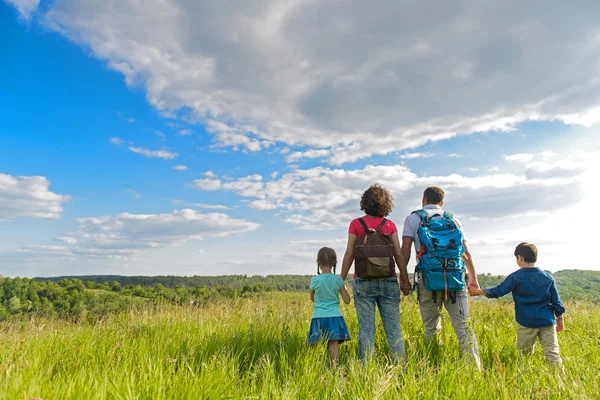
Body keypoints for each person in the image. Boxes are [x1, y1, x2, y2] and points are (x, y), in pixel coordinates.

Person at [401, 186, 481, 368]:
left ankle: (433, 365)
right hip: (456, 279)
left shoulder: (413, 218)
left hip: (427, 279)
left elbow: (405, 251)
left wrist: (404, 278)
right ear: (442, 203)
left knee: (430, 327)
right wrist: (473, 279)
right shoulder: (454, 220)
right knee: (463, 326)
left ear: (423, 199)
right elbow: (466, 252)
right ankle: (473, 370)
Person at [340, 183, 411, 363]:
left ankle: (366, 373)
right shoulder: (390, 225)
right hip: (388, 280)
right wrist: (404, 279)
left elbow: (349, 253)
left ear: (365, 202)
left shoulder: (356, 224)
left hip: (363, 281)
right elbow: (398, 254)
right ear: (386, 204)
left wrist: (340, 280)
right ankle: (400, 369)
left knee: (366, 331)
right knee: (394, 329)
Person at [470, 242, 565, 371]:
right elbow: (557, 302)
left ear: (520, 258)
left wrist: (479, 291)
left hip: (526, 322)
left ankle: (524, 377)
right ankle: (559, 380)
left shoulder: (516, 277)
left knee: (524, 355)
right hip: (547, 322)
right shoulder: (548, 277)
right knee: (553, 354)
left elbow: (498, 291)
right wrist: (560, 320)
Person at [308, 247, 351, 366]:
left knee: (315, 343)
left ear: (318, 263)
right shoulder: (338, 280)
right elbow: (347, 300)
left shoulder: (315, 280)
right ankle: (334, 368)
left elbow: (312, 298)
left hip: (318, 316)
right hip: (334, 316)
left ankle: (315, 366)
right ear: (334, 263)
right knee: (333, 343)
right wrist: (343, 287)